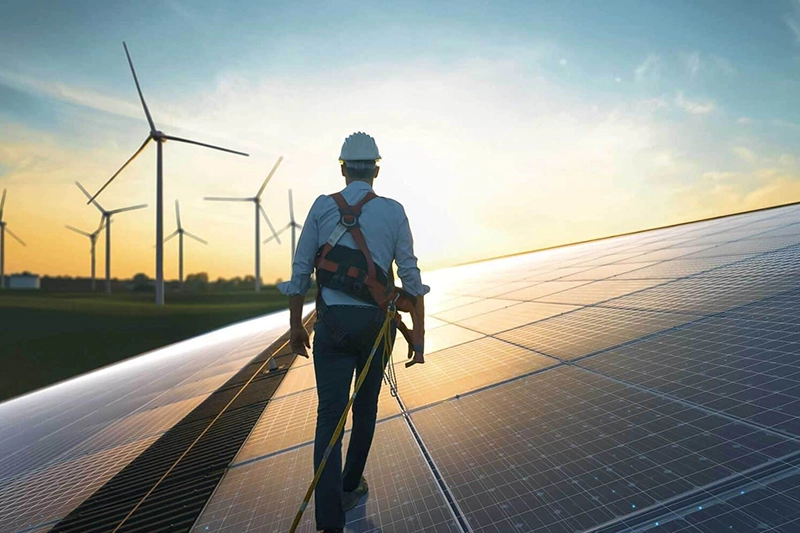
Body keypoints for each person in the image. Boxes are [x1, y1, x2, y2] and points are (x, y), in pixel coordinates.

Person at [278, 132, 428, 533]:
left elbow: (299, 272)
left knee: (329, 417)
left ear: (343, 169)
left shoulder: (322, 207)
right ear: (376, 169)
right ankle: (349, 485)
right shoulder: (394, 211)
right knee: (365, 410)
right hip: (378, 329)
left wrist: (295, 326)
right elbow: (410, 279)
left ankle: (330, 522)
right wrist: (418, 334)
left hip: (332, 326)